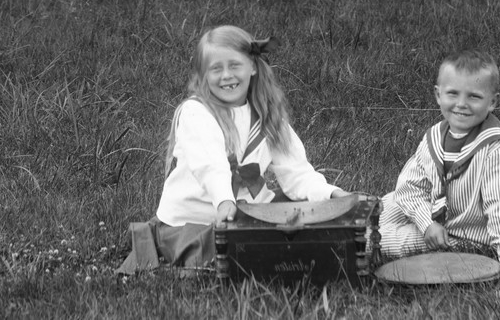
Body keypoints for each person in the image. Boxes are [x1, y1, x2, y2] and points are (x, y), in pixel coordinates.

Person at [117, 25, 351, 274]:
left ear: (253, 67)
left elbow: (296, 172)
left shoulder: (267, 114)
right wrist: (224, 201)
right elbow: (211, 165)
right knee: (231, 249)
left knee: (306, 212)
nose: (226, 75)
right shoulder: (196, 112)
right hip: (198, 219)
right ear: (203, 75)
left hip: (250, 211)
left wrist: (331, 193)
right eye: (216, 68)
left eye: (235, 65)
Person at [378, 49, 500, 262]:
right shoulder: (435, 136)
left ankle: (364, 241)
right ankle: (354, 225)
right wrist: (426, 223)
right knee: (384, 206)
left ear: (492, 102)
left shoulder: (496, 149)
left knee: (380, 238)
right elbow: (410, 187)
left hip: (464, 234)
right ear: (438, 95)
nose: (461, 104)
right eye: (453, 93)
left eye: (474, 96)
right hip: (437, 214)